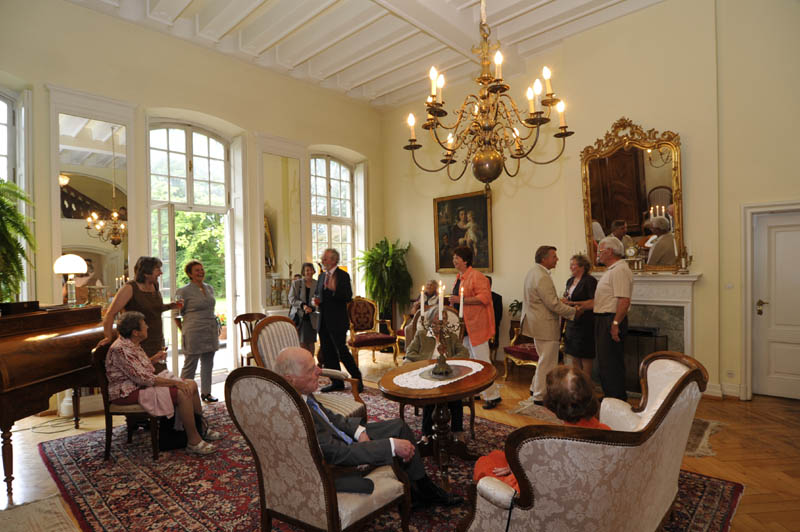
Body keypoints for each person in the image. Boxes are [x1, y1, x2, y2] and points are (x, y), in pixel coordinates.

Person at [276, 346, 461, 506]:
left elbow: (330, 418)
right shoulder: (296, 414)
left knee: (399, 427)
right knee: (393, 444)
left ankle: (421, 487)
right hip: (340, 462)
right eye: (311, 369)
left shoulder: (300, 392)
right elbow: (338, 454)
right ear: (290, 379)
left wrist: (359, 431)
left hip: (343, 439)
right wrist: (391, 446)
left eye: (316, 364)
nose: (319, 370)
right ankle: (422, 491)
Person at [473, 365, 610, 491]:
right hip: (593, 492)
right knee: (500, 457)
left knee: (485, 463)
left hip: (542, 495)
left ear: (552, 405)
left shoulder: (543, 446)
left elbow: (531, 481)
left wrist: (518, 467)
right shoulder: (608, 432)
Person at [106, 311, 223, 455]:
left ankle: (201, 428)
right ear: (136, 332)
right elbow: (144, 378)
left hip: (138, 385)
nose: (147, 327)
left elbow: (137, 369)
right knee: (182, 392)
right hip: (125, 392)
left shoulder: (131, 343)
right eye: (144, 325)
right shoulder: (121, 349)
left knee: (191, 384)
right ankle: (193, 441)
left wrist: (153, 359)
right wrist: (175, 383)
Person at [520, 246, 579, 404]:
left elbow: (543, 300)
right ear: (544, 259)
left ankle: (534, 388)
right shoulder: (542, 276)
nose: (557, 259)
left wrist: (560, 302)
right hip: (545, 325)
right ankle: (540, 396)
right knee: (547, 362)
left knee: (543, 360)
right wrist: (573, 312)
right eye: (554, 256)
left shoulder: (533, 272)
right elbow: (552, 304)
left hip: (537, 323)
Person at [404, 307, 469, 441]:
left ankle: (457, 431)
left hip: (447, 373)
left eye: (444, 318)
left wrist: (449, 361)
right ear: (430, 320)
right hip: (428, 374)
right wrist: (428, 362)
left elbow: (464, 352)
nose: (441, 321)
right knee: (431, 398)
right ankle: (426, 433)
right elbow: (410, 353)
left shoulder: (451, 336)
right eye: (438, 318)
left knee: (456, 398)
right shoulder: (422, 335)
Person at [449, 246, 502, 409]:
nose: (454, 260)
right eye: (454, 257)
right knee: (470, 361)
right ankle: (478, 390)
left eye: (457, 257)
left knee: (482, 361)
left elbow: (485, 298)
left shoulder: (477, 276)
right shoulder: (459, 277)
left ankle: (493, 396)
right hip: (464, 327)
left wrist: (461, 300)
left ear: (465, 260)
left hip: (477, 325)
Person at [100, 256, 181, 360]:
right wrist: (108, 337)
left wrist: (170, 306)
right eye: (157, 270)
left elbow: (154, 309)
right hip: (137, 342)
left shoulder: (155, 285)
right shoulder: (129, 288)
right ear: (146, 273)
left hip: (156, 339)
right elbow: (110, 314)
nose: (161, 273)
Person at [582, 236, 633, 401]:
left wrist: (615, 324)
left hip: (611, 320)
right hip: (604, 319)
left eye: (600, 251)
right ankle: (610, 397)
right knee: (605, 363)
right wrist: (577, 305)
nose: (598, 254)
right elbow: (603, 300)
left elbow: (624, 300)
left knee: (611, 363)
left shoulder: (620, 270)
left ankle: (616, 399)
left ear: (610, 251)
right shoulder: (612, 270)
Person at [314, 248, 363, 393]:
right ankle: (337, 382)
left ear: (334, 260)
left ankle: (357, 379)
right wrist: (316, 301)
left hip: (337, 321)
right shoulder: (321, 276)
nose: (322, 260)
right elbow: (318, 294)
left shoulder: (343, 276)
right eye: (323, 258)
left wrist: (334, 290)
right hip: (323, 321)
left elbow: (348, 296)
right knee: (328, 353)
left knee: (342, 352)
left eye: (325, 258)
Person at [176, 260, 220, 403]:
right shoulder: (183, 291)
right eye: (197, 270)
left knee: (208, 362)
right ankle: (184, 394)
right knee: (190, 364)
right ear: (189, 274)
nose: (201, 272)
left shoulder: (209, 288)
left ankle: (206, 393)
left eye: (202, 269)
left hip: (210, 329)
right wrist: (184, 330)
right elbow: (176, 314)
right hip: (193, 331)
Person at [561, 254, 598, 376]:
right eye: (570, 264)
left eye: (573, 265)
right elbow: (568, 297)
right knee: (574, 354)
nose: (570, 267)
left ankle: (586, 383)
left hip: (585, 323)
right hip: (572, 322)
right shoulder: (570, 281)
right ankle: (577, 383)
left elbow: (594, 301)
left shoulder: (590, 281)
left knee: (585, 355)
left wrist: (572, 303)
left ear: (582, 266)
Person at [288, 262, 318, 354]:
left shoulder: (317, 284)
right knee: (302, 343)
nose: (309, 272)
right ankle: (304, 362)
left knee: (311, 343)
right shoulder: (296, 283)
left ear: (313, 271)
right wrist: (303, 306)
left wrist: (312, 308)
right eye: (307, 270)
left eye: (311, 270)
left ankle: (310, 361)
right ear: (303, 272)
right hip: (300, 317)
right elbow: (291, 298)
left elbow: (320, 299)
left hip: (312, 318)